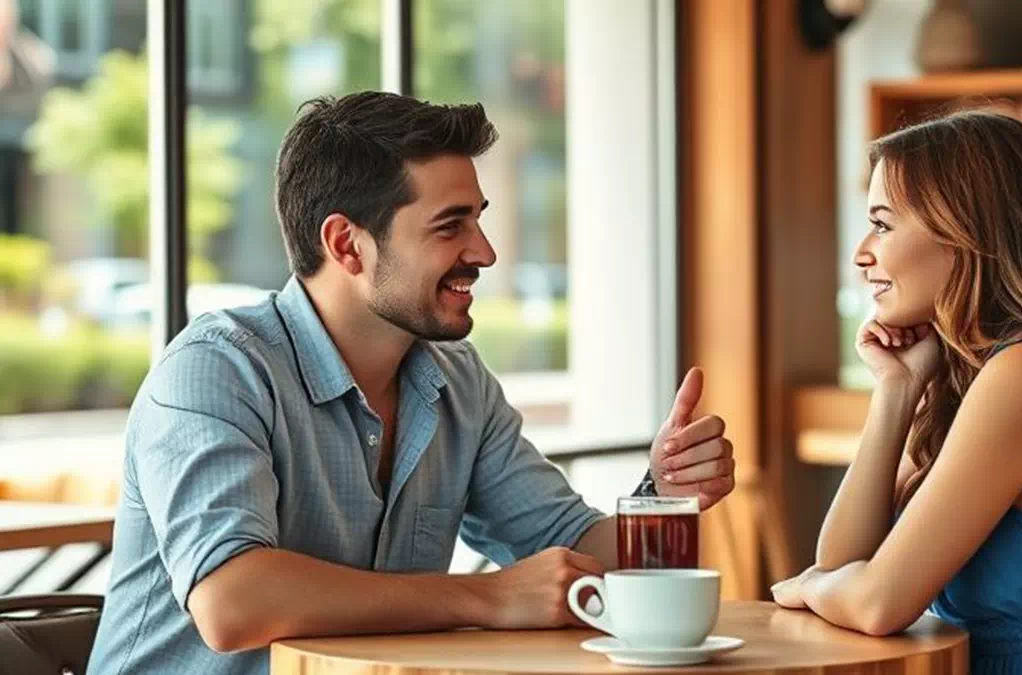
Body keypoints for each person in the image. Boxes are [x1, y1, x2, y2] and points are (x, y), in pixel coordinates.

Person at [87, 92, 736, 675]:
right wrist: (487, 597)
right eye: (451, 224)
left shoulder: (457, 381)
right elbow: (232, 600)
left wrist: (661, 495)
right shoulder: (216, 370)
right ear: (347, 245)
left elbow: (574, 552)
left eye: (479, 219)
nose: (485, 252)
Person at [771, 111, 1022, 674]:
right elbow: (847, 560)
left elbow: (875, 602)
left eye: (883, 224)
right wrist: (896, 393)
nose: (862, 252)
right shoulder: (983, 376)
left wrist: (810, 587)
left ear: (965, 233)